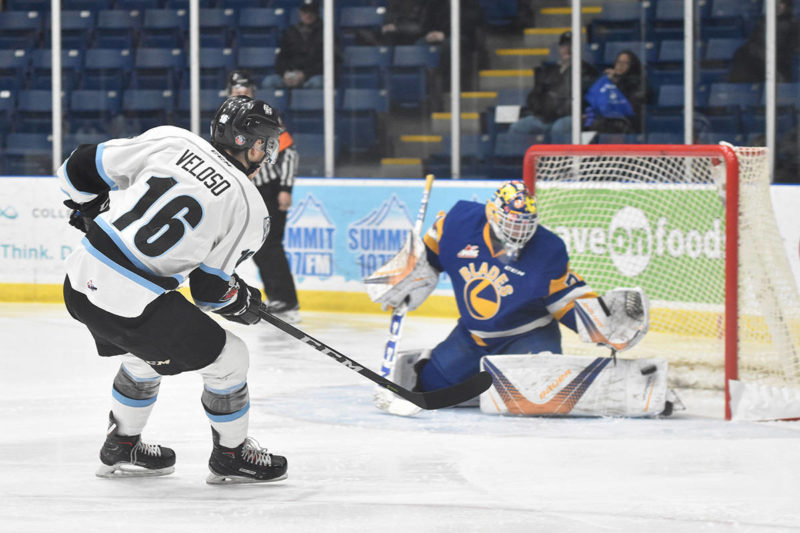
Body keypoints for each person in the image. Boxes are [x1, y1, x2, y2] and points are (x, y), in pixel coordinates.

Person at [58, 95, 289, 484]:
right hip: (133, 304)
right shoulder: (249, 206)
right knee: (231, 359)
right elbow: (209, 292)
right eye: (266, 143)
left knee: (144, 351)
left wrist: (89, 209)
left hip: (79, 284)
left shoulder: (172, 140)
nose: (267, 152)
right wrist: (242, 301)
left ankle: (123, 444)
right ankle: (231, 455)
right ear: (250, 145)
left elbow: (76, 167)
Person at [368, 180, 648, 398]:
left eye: (526, 224)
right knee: (431, 385)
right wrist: (406, 273)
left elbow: (566, 299)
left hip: (528, 336)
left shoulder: (547, 250)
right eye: (513, 223)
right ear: (492, 214)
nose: (520, 231)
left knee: (541, 390)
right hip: (472, 337)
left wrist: (603, 323)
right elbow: (428, 256)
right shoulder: (458, 224)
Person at [227, 69, 301, 322]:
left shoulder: (265, 116)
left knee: (271, 245)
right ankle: (277, 296)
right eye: (237, 90)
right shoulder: (227, 119)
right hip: (247, 191)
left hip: (269, 190)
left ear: (252, 92)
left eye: (245, 90)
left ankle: (287, 300)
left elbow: (289, 153)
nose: (241, 93)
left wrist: (285, 188)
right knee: (257, 246)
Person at [509, 31, 598, 139]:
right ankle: (525, 156)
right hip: (546, 117)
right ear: (559, 49)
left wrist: (583, 113)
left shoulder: (586, 70)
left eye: (571, 45)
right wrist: (539, 110)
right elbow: (535, 95)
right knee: (518, 127)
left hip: (569, 117)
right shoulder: (550, 71)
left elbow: (587, 97)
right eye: (564, 46)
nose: (567, 49)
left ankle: (561, 156)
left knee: (558, 128)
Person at [728, 0, 800, 83]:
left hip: (774, 62)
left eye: (782, 4)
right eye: (777, 3)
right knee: (742, 55)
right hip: (756, 58)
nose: (779, 6)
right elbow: (753, 39)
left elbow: (792, 48)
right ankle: (738, 89)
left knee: (746, 57)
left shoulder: (793, 24)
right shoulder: (765, 20)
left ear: (787, 6)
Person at [262, 0, 326, 89]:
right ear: (300, 13)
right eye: (305, 12)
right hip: (290, 75)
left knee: (317, 83)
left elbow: (328, 62)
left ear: (317, 13)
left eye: (311, 12)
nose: (308, 15)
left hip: (312, 76)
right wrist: (285, 73)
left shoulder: (326, 32)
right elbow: (281, 57)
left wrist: (305, 74)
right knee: (269, 82)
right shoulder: (291, 32)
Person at [583, 49, 647, 134]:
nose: (620, 66)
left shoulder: (638, 82)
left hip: (626, 121)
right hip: (605, 118)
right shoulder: (608, 80)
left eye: (625, 63)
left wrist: (617, 82)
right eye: (618, 62)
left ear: (632, 66)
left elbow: (630, 105)